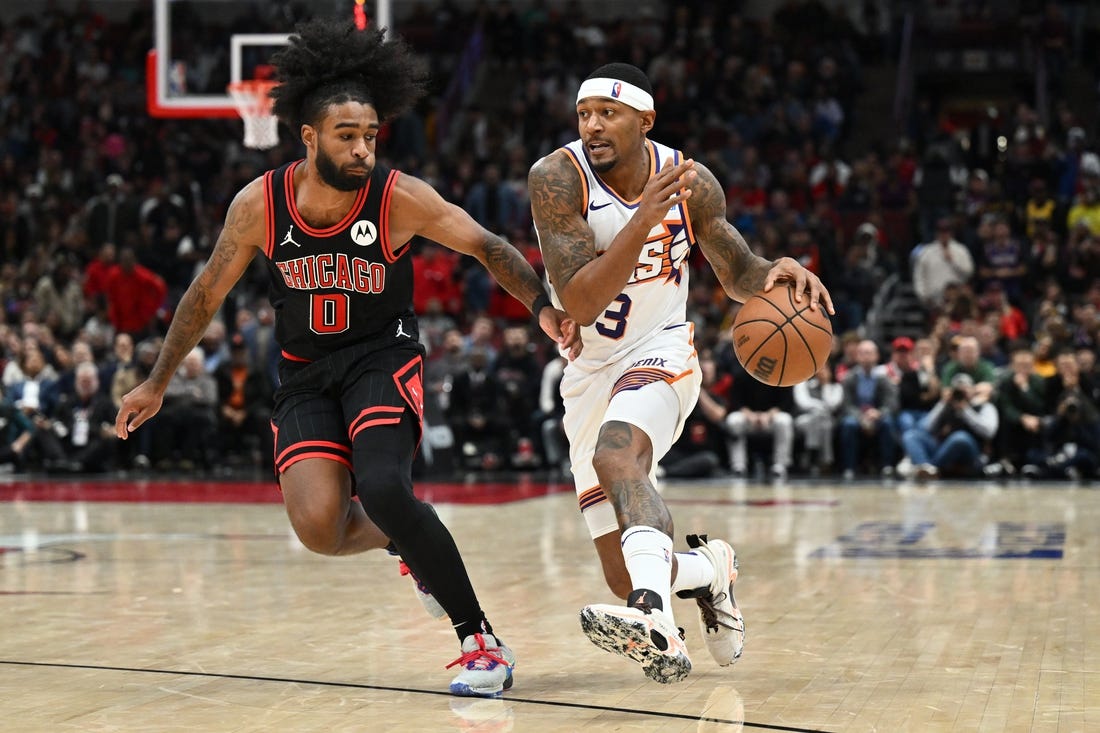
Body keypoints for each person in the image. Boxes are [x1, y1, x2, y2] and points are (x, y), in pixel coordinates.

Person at [115, 20, 578, 699]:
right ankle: (405, 545)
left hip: (379, 358)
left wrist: (541, 306)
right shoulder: (260, 206)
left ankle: (479, 638)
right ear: (308, 137)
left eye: (370, 134)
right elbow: (205, 290)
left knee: (386, 488)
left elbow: (486, 245)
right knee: (320, 531)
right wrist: (156, 381)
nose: (363, 148)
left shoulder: (396, 197)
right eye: (346, 135)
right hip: (304, 374)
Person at [528, 63, 832, 684]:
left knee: (620, 457)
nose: (592, 126)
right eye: (584, 114)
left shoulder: (691, 181)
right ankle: (711, 570)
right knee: (624, 567)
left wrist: (777, 269)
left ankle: (653, 618)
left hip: (663, 352)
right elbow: (581, 302)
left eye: (608, 114)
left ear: (645, 121)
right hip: (590, 371)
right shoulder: (557, 177)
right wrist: (643, 220)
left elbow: (736, 269)